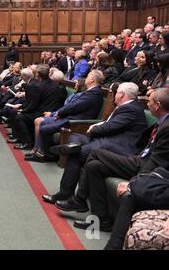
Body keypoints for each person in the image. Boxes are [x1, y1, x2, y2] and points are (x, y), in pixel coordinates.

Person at [56, 88, 169, 233]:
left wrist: (135, 182)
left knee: (95, 153)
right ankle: (101, 220)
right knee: (93, 166)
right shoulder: (162, 122)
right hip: (138, 158)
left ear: (158, 105)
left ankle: (79, 200)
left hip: (143, 166)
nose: (147, 104)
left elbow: (158, 161)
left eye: (150, 101)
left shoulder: (166, 127)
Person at [43, 82, 147, 204]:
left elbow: (110, 127)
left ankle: (65, 193)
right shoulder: (128, 107)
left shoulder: (131, 109)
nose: (114, 94)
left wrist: (93, 129)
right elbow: (110, 125)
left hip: (117, 147)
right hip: (108, 140)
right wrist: (97, 127)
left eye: (117, 92)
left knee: (77, 154)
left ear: (121, 94)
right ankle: (70, 147)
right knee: (75, 137)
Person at [26, 70, 105, 161]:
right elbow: (74, 106)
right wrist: (60, 113)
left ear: (92, 80)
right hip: (71, 117)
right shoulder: (93, 92)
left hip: (76, 122)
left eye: (87, 76)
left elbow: (75, 107)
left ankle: (45, 155)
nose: (85, 78)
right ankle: (41, 153)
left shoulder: (94, 93)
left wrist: (60, 113)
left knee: (44, 128)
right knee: (41, 123)